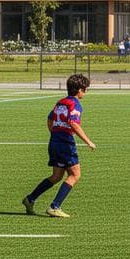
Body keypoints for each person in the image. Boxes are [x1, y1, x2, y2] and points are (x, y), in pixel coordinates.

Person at [24, 74, 95, 218]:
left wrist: (55, 133)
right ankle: (54, 207)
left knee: (56, 176)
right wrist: (88, 141)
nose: (86, 92)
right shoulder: (75, 104)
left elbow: (50, 119)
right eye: (85, 89)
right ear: (80, 90)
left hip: (54, 141)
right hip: (65, 143)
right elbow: (73, 123)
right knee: (75, 175)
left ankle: (30, 199)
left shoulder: (61, 102)